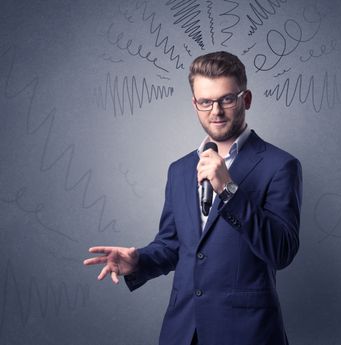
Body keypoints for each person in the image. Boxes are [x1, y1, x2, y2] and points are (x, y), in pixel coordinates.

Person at [84, 51, 302, 345]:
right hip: (184, 331)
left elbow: (281, 252)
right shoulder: (179, 169)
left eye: (226, 99)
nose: (216, 111)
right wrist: (139, 262)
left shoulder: (279, 165)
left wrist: (228, 189)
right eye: (205, 102)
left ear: (245, 99)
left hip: (248, 333)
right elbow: (174, 245)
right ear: (194, 104)